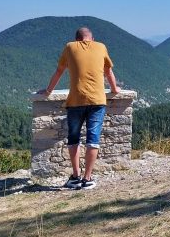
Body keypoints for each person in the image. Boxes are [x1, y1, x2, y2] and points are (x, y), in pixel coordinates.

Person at [38, 26, 121, 190]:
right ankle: (87, 178)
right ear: (92, 38)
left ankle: (75, 176)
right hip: (97, 100)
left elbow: (60, 70)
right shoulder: (101, 46)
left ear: (77, 39)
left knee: (74, 138)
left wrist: (48, 91)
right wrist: (114, 89)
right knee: (93, 138)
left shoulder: (70, 47)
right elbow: (108, 72)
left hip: (75, 101)